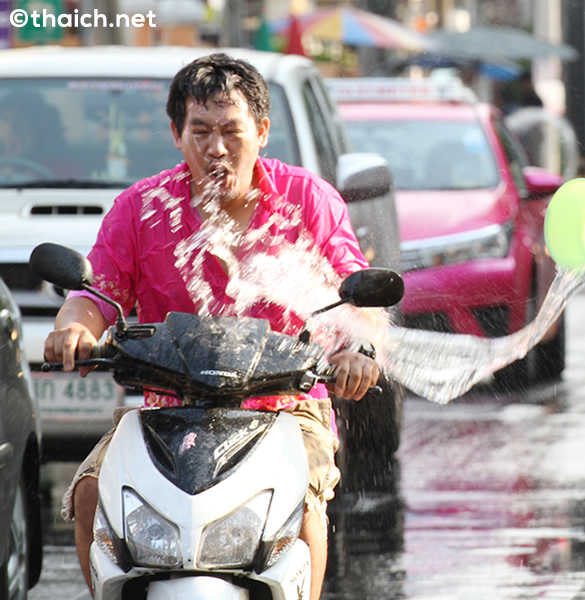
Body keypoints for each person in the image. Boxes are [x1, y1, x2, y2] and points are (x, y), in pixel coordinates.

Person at [42, 53, 381, 600]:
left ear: (263, 132)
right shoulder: (140, 208)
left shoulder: (309, 201)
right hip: (166, 412)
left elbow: (354, 292)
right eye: (200, 131)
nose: (216, 148)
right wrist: (73, 330)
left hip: (288, 409)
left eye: (231, 131)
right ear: (177, 134)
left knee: (304, 510)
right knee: (88, 496)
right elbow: (93, 295)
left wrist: (357, 349)